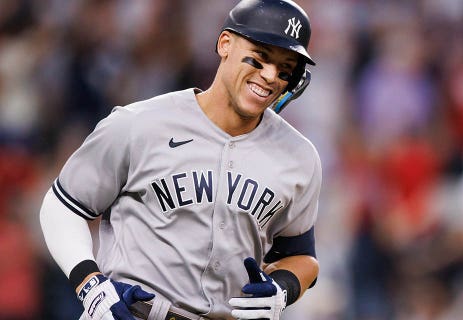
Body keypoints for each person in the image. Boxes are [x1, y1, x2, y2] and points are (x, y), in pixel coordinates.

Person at [39, 0, 321, 319]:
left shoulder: (299, 156)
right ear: (225, 43)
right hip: (130, 312)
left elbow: (301, 256)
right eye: (260, 58)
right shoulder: (141, 123)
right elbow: (62, 207)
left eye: (285, 69)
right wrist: (90, 284)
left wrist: (282, 290)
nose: (270, 76)